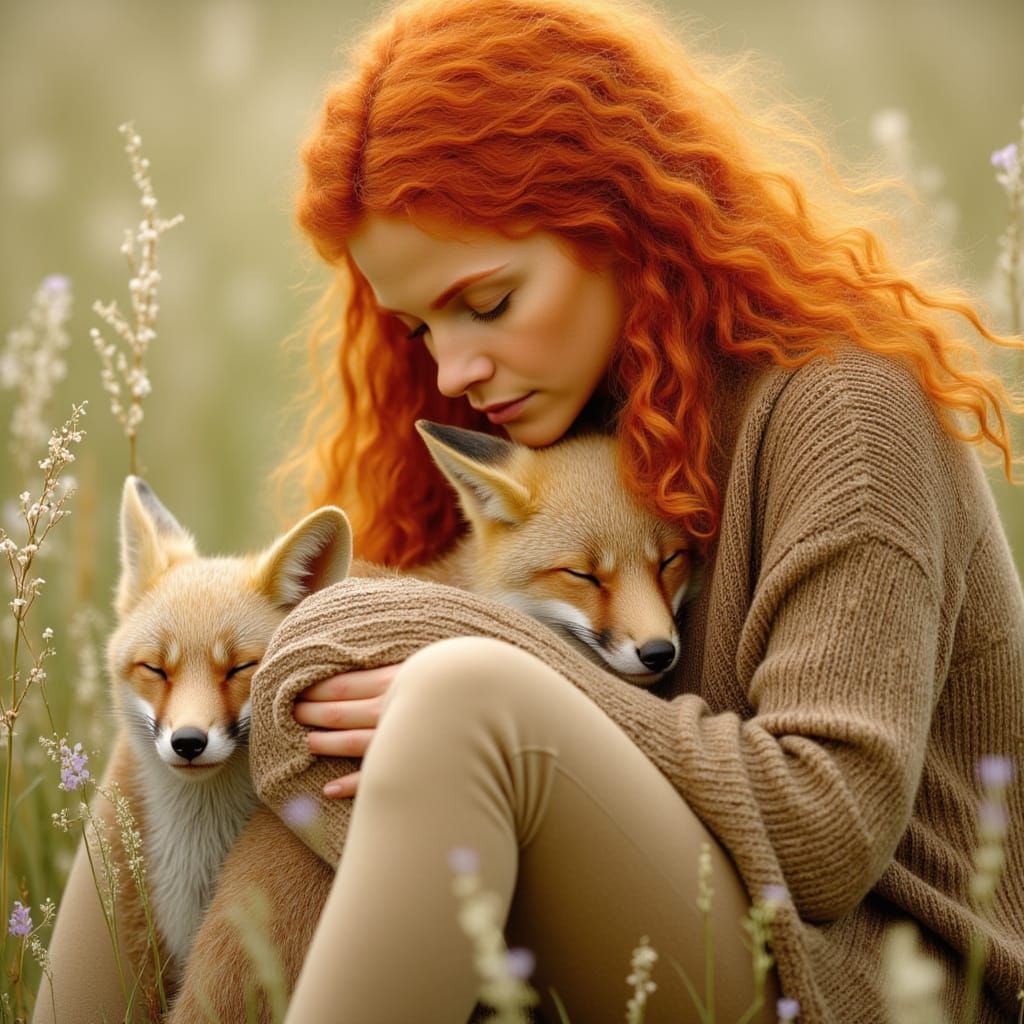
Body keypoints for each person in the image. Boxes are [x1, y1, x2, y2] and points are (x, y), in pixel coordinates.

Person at [36, 0, 1024, 1021]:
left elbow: (824, 836)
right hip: (666, 915)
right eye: (420, 329)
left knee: (462, 697)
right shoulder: (556, 425)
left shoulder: (846, 414)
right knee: (193, 654)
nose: (453, 371)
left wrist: (500, 665)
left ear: (621, 219)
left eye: (489, 304)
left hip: (870, 977)